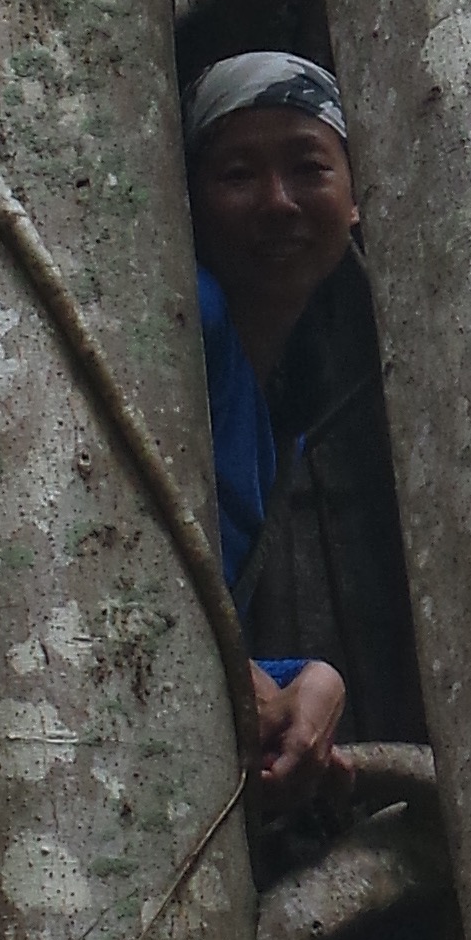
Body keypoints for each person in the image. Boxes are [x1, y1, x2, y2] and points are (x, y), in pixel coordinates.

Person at [185, 51, 360, 794]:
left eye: (308, 168)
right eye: (238, 175)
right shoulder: (191, 319)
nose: (278, 203)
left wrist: (309, 680)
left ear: (355, 197)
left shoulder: (281, 408)